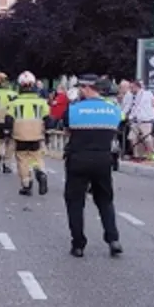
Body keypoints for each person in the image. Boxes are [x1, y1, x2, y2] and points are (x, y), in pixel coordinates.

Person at [61, 75, 124, 258]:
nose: (80, 91)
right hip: (103, 159)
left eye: (81, 87)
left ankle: (78, 244)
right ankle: (113, 239)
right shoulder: (114, 109)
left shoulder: (74, 109)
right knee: (105, 200)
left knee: (75, 202)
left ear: (87, 88)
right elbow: (120, 126)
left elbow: (66, 129)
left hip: (78, 159)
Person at [5, 71, 49, 196]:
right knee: (36, 156)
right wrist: (46, 134)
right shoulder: (42, 102)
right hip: (36, 135)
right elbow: (48, 119)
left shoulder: (14, 103)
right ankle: (40, 172)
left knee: (22, 159)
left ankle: (26, 184)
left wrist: (8, 133)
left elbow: (8, 120)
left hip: (20, 135)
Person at [126, 80, 154, 160]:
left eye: (132, 88)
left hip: (146, 119)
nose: (130, 90)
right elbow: (133, 107)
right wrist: (130, 117)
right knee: (131, 137)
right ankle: (136, 155)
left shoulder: (148, 93)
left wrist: (151, 113)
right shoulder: (132, 96)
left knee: (147, 138)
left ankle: (152, 154)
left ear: (137, 87)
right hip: (136, 120)